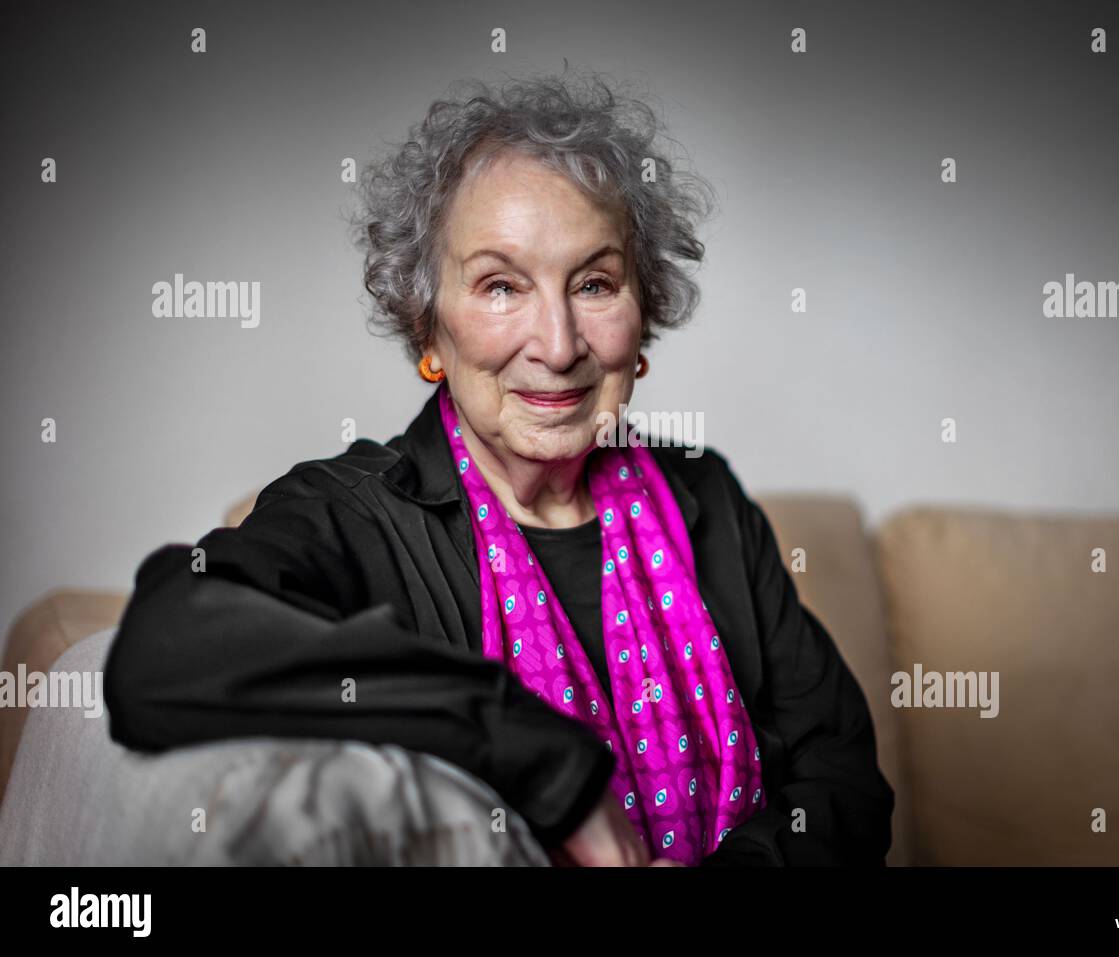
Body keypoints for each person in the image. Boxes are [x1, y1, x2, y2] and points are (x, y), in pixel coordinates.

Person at [103, 69, 894, 867]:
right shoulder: (351, 513)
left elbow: (843, 781)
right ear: (428, 330)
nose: (556, 344)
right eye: (500, 285)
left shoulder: (707, 497)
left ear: (643, 314)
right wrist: (552, 766)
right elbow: (160, 652)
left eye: (594, 283)